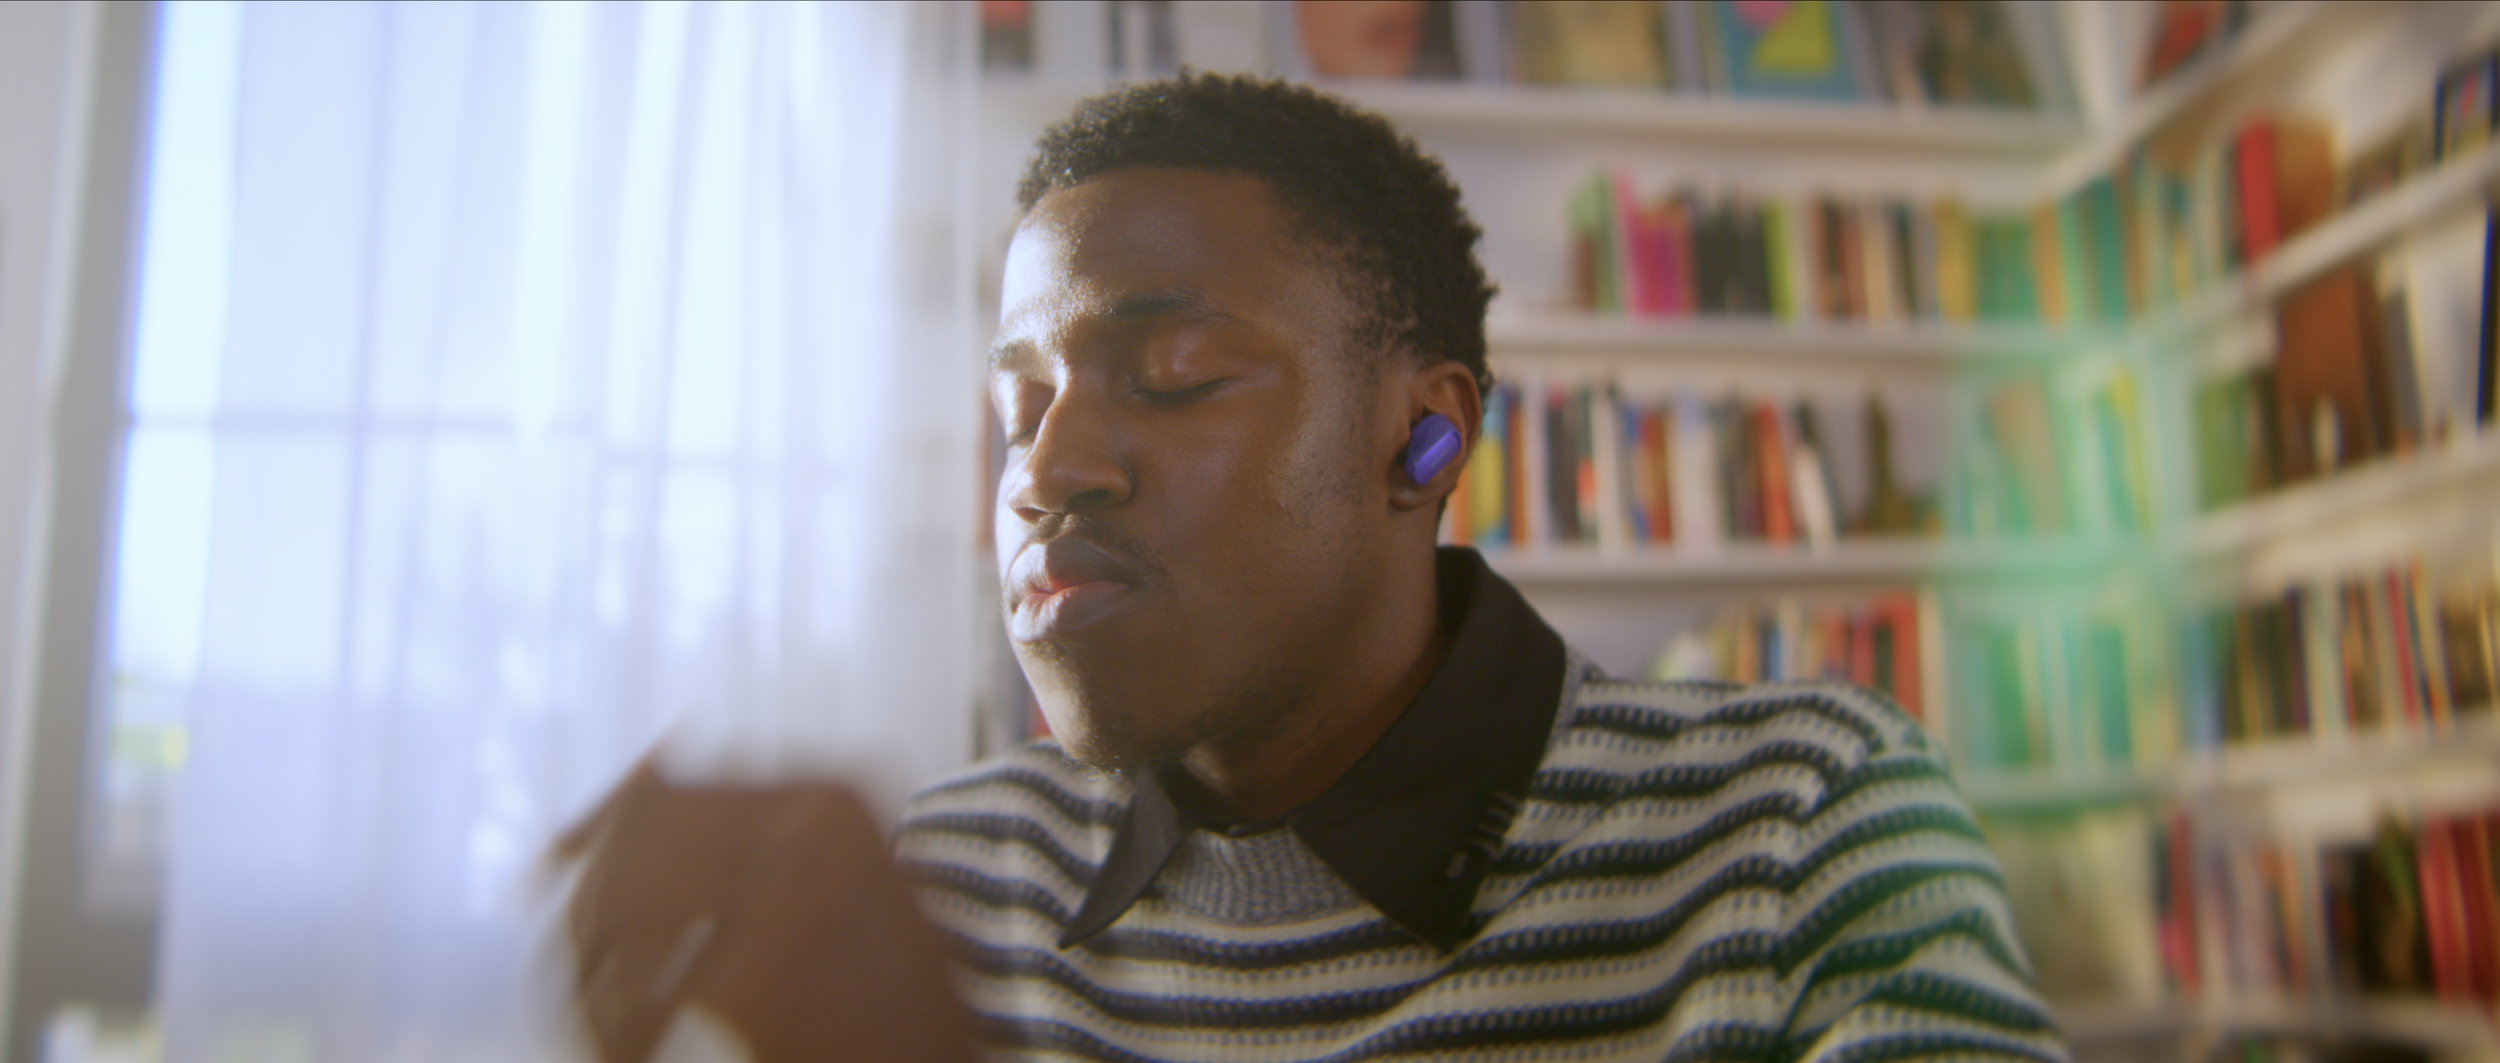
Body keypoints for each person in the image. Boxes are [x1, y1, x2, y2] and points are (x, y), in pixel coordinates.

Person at [557, 72, 2066, 1063]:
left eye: (1174, 373)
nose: (1044, 468)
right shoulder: (943, 878)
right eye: (1018, 406)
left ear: (1424, 438)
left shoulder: (1793, 825)